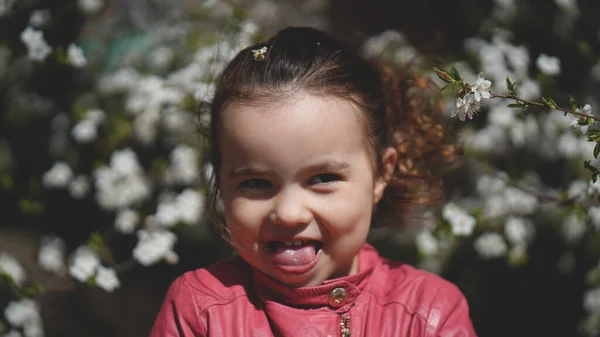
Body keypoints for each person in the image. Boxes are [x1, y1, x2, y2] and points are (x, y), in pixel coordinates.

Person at [149, 26, 477, 337]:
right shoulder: (201, 309)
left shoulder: (427, 315)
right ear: (220, 180)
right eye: (255, 183)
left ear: (381, 174)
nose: (290, 214)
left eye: (323, 178)